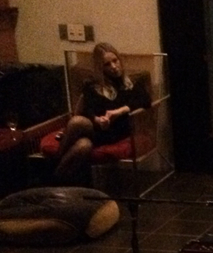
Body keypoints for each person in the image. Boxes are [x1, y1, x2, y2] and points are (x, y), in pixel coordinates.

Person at [51, 43, 151, 187]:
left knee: (79, 131)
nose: (114, 66)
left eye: (115, 61)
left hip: (117, 131)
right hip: (96, 129)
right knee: (82, 141)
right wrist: (97, 119)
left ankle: (50, 173)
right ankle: (55, 182)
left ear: (119, 59)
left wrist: (119, 111)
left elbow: (145, 100)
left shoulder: (131, 82)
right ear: (100, 68)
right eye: (107, 64)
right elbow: (87, 110)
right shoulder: (92, 85)